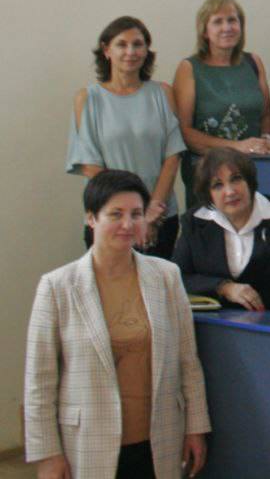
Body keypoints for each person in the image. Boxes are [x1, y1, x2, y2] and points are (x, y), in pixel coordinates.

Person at [24, 171, 210, 478]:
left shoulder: (166, 276)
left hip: (160, 439)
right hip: (88, 444)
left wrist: (195, 428)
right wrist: (47, 455)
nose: (127, 224)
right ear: (91, 218)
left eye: (136, 214)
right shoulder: (57, 286)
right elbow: (39, 381)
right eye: (116, 214)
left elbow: (187, 361)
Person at [67, 16, 185, 257]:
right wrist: (132, 214)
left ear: (146, 50)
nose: (130, 52)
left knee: (157, 282)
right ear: (106, 50)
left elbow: (172, 158)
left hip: (159, 218)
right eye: (121, 44)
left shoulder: (162, 93)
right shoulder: (88, 99)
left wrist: (151, 211)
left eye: (138, 44)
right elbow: (90, 166)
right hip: (109, 219)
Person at [175, 0, 270, 209]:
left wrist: (267, 139)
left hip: (255, 171)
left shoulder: (253, 62)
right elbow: (184, 132)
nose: (227, 27)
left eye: (232, 20)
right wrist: (237, 147)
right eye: (218, 22)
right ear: (205, 31)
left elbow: (267, 113)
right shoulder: (189, 68)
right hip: (209, 175)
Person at [173, 148, 270, 311]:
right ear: (208, 194)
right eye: (218, 185)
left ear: (250, 182)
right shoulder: (194, 222)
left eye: (236, 179)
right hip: (215, 321)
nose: (230, 192)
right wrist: (223, 287)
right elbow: (178, 276)